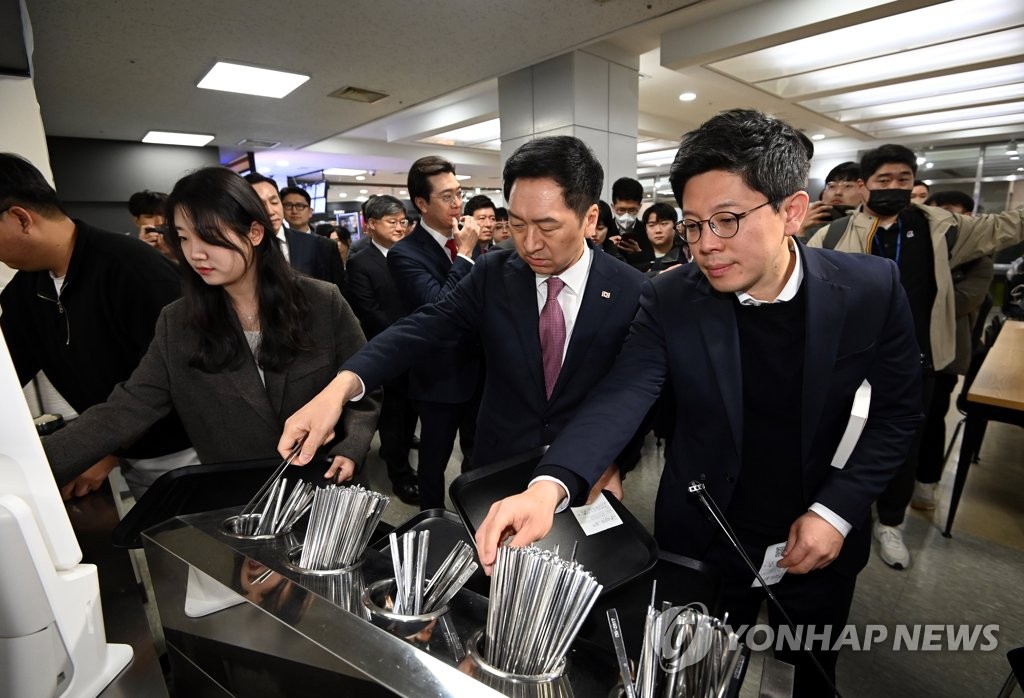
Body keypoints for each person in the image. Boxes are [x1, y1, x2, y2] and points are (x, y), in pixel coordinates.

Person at [474, 110, 924, 697]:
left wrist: (836, 512)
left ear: (790, 211)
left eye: (728, 220)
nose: (706, 245)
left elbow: (897, 414)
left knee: (808, 671)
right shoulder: (672, 296)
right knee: (688, 676)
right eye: (692, 224)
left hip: (819, 530)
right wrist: (548, 486)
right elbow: (625, 392)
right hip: (704, 529)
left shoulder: (869, 288)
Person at [277, 135, 649, 507]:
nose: (530, 243)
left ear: (590, 219)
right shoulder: (493, 274)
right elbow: (422, 326)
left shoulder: (632, 290)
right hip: (500, 466)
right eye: (517, 224)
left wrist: (613, 460)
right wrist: (341, 387)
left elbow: (641, 390)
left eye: (547, 227)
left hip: (586, 470)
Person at [41, 167, 378, 487]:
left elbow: (365, 384)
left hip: (328, 483)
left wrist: (350, 448)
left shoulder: (321, 301)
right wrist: (37, 465)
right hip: (240, 498)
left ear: (255, 233)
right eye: (184, 238)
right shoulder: (178, 322)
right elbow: (128, 407)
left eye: (209, 237)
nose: (195, 253)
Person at [806, 143, 1024, 569]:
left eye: (903, 180)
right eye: (883, 180)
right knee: (835, 438)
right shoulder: (832, 235)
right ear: (863, 185)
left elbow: (1004, 227)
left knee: (901, 445)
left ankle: (891, 523)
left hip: (915, 361)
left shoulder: (941, 229)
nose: (894, 188)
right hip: (847, 362)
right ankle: (830, 513)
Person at [0, 153, 195, 499]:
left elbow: (178, 379)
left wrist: (107, 450)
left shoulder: (133, 270)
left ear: (20, 218)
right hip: (117, 444)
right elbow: (9, 373)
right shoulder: (24, 292)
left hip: (183, 452)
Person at [369, 155, 481, 509]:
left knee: (479, 461)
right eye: (447, 197)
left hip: (481, 373)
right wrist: (464, 255)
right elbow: (438, 307)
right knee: (433, 464)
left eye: (459, 193)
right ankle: (432, 524)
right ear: (421, 203)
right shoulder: (405, 254)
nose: (457, 203)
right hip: (438, 379)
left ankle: (479, 520)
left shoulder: (472, 239)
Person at [343, 194, 419, 504]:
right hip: (386, 348)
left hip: (418, 346)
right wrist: (407, 335)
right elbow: (369, 309)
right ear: (371, 225)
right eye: (392, 222)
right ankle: (400, 474)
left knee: (413, 404)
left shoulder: (412, 254)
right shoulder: (360, 262)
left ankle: (400, 446)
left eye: (403, 221)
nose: (400, 227)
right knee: (392, 411)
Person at [244, 174, 346, 291]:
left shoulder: (314, 244)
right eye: (260, 205)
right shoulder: (241, 248)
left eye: (274, 202)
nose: (270, 211)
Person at [798, 161, 860, 238]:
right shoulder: (807, 221)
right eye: (832, 186)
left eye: (848, 186)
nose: (838, 192)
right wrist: (800, 229)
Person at [640, 202, 687, 276]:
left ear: (675, 226)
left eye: (664, 224)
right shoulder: (639, 256)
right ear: (646, 229)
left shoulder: (686, 255)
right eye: (652, 225)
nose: (658, 230)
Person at [130, 189, 176, 261]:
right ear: (136, 221)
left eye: (164, 216)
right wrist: (140, 250)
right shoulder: (127, 249)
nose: (160, 222)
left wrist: (173, 255)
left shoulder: (183, 243)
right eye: (150, 217)